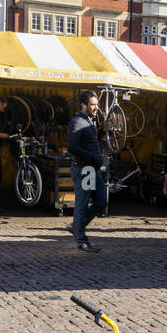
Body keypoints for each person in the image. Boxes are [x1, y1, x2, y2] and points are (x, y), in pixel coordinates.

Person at [66, 89, 108, 252]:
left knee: (101, 201)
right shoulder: (77, 121)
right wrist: (91, 156)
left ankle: (77, 226)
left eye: (97, 104)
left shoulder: (90, 120)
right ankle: (81, 239)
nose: (96, 107)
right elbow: (71, 146)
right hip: (84, 169)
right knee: (82, 205)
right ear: (83, 105)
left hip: (92, 169)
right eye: (92, 105)